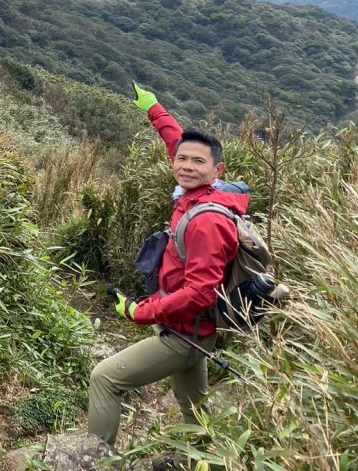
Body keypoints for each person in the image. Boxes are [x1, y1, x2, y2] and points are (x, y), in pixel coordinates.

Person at [87, 83, 249, 447]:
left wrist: (140, 311)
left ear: (217, 169)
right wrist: (153, 108)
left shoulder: (207, 220)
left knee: (105, 379)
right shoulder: (201, 194)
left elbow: (200, 292)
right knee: (196, 416)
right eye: (182, 159)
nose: (187, 166)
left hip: (182, 336)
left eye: (198, 162)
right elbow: (176, 141)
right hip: (195, 334)